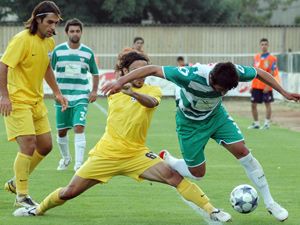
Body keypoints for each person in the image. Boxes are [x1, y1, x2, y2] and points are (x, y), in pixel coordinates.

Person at [13, 51, 231, 223]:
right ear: (126, 71)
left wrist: (132, 91)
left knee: (173, 177)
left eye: (145, 71)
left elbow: (151, 103)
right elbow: (114, 82)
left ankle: (212, 210)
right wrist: (121, 84)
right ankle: (37, 209)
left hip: (136, 154)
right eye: (136, 70)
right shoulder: (114, 90)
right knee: (70, 192)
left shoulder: (151, 90)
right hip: (106, 154)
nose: (142, 75)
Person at [102, 61, 300, 222]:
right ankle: (170, 161)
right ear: (211, 78)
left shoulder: (232, 73)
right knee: (198, 173)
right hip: (190, 124)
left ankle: (271, 202)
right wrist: (120, 82)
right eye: (220, 89)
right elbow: (152, 69)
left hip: (216, 117)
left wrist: (284, 92)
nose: (222, 93)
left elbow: (258, 72)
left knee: (243, 151)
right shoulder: (190, 75)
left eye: (226, 91)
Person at [0, 1, 67, 207]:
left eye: (55, 23)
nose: (53, 28)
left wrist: (57, 92)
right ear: (38, 19)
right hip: (17, 100)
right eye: (49, 22)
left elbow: (46, 68)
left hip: (36, 101)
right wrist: (3, 95)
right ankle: (22, 196)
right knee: (28, 143)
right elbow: (3, 64)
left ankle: (15, 182)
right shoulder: (22, 39)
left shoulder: (49, 43)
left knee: (46, 146)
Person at [51, 18, 99, 171]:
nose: (75, 33)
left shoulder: (87, 52)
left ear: (81, 32)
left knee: (79, 126)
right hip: (62, 97)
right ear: (67, 33)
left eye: (78, 31)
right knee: (62, 130)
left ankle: (79, 164)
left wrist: (94, 91)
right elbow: (48, 72)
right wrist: (55, 91)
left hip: (81, 96)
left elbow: (95, 74)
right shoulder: (58, 51)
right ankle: (66, 158)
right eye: (72, 31)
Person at [248, 38, 279, 129]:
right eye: (262, 44)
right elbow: (254, 71)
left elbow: (272, 72)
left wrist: (268, 85)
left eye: (265, 44)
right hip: (256, 85)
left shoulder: (272, 58)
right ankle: (256, 123)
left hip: (266, 85)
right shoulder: (256, 57)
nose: (264, 46)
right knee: (253, 104)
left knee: (267, 104)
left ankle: (266, 123)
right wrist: (251, 85)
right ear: (260, 45)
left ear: (268, 45)